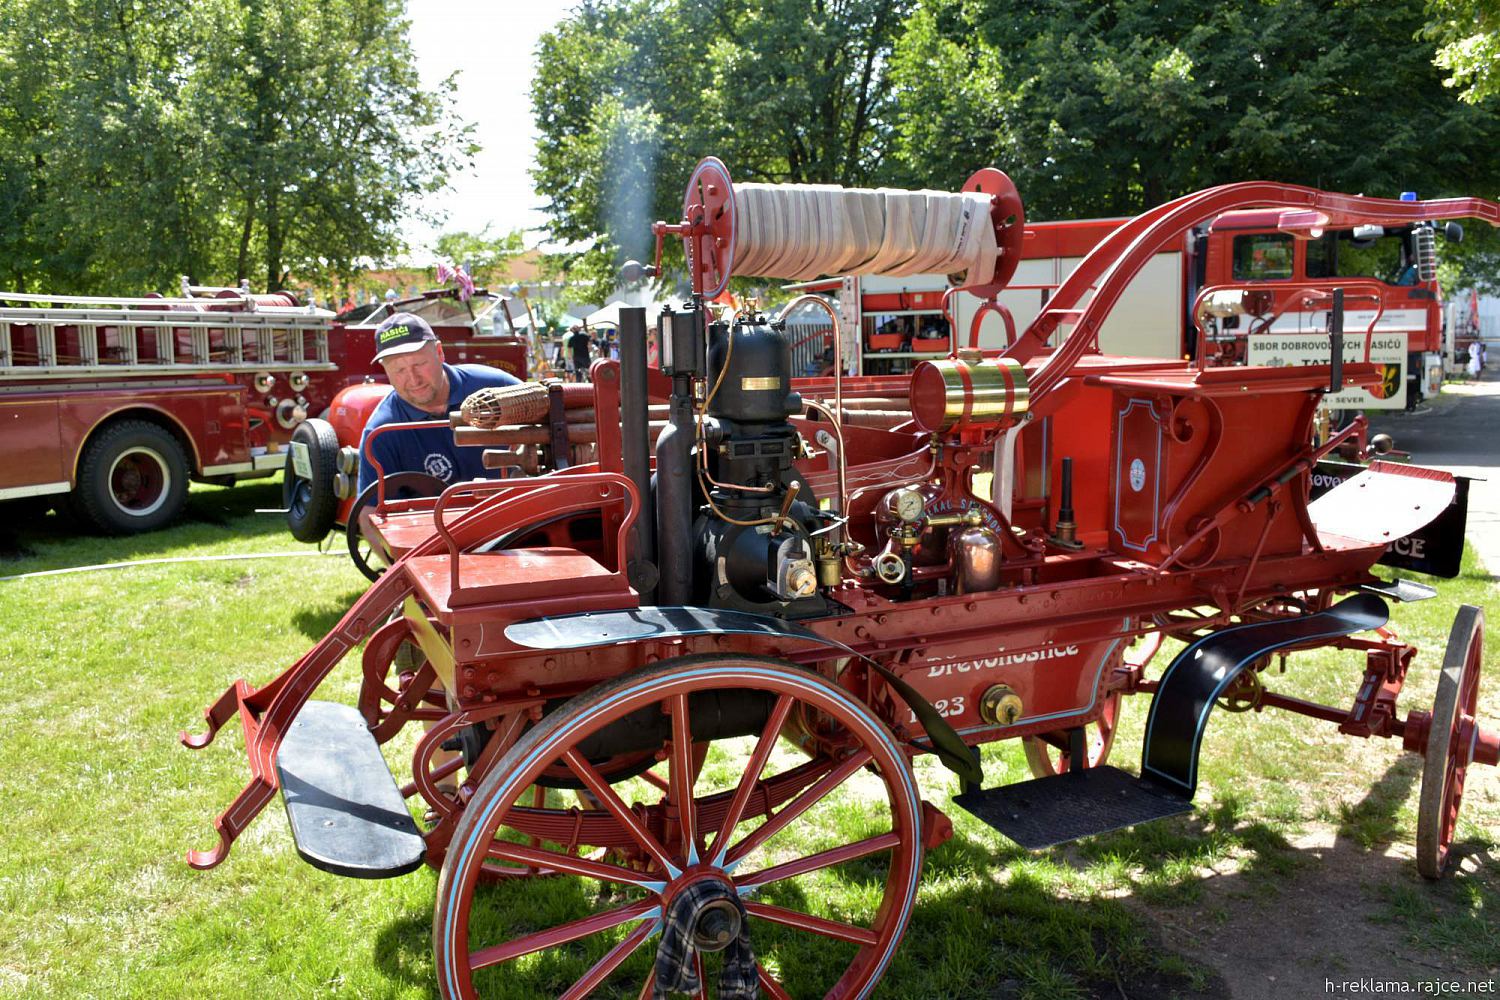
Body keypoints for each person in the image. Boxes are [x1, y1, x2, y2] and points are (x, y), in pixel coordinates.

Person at [355, 312, 521, 495]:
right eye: (399, 370)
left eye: (419, 364)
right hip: (437, 523)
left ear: (439, 352)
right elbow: (369, 514)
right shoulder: (382, 433)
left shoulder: (499, 387)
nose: (413, 379)